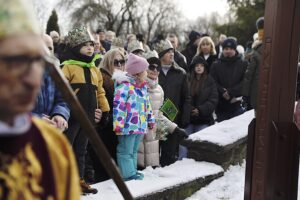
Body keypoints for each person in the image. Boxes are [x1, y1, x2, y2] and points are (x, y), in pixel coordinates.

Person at [0, 0, 80, 199]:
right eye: (16, 60)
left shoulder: (54, 146)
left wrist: (60, 114)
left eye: (37, 59)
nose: (31, 78)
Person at [61, 27, 110, 193]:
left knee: (81, 150)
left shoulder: (94, 69)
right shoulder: (67, 67)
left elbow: (100, 92)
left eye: (91, 44)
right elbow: (61, 91)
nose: (90, 47)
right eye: (85, 45)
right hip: (72, 117)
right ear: (75, 47)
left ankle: (79, 180)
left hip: (88, 118)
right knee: (67, 148)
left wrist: (105, 111)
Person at [137, 50, 187, 168]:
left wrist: (174, 129)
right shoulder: (136, 86)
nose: (155, 70)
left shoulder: (159, 89)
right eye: (151, 66)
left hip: (153, 148)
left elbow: (158, 117)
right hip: (138, 146)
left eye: (157, 67)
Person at [113, 53, 155, 181]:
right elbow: (118, 106)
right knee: (125, 150)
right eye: (145, 71)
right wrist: (118, 124)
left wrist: (150, 119)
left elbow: (147, 105)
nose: (147, 73)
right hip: (127, 126)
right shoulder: (124, 87)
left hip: (139, 126)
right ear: (137, 73)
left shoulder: (142, 88)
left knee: (134, 150)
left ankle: (132, 171)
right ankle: (128, 174)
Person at [89, 48, 126, 182]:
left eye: (122, 61)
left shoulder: (124, 81)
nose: (120, 65)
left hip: (118, 134)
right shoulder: (101, 79)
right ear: (108, 62)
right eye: (116, 62)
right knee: (105, 178)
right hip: (103, 134)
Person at [154, 39, 191, 166]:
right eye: (168, 51)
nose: (172, 54)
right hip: (156, 119)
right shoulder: (153, 72)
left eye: (172, 51)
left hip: (173, 120)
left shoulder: (180, 73)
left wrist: (185, 118)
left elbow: (187, 97)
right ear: (160, 55)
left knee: (169, 157)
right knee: (154, 156)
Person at [32, 34, 70, 131]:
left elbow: (63, 99)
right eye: (42, 47)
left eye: (50, 48)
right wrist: (35, 119)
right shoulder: (16, 74)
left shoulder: (55, 73)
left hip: (49, 132)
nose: (47, 51)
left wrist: (59, 114)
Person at [210, 38, 248, 122]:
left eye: (231, 49)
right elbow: (212, 82)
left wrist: (231, 92)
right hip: (221, 107)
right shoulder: (216, 65)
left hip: (237, 105)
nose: (228, 51)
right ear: (223, 50)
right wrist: (222, 92)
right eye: (226, 49)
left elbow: (245, 82)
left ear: (235, 50)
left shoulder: (243, 64)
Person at [242, 17, 264, 113]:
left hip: (258, 94)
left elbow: (248, 76)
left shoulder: (256, 52)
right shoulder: (256, 53)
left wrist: (246, 95)